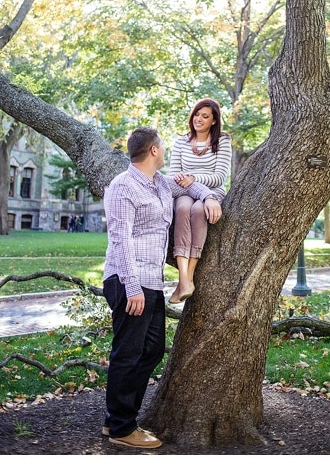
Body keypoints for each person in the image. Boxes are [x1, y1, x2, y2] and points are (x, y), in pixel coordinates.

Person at [102, 127, 221, 449]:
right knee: (128, 353)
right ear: (153, 150)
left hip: (152, 281)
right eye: (163, 147)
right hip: (128, 280)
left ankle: (116, 417)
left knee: (151, 351)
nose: (166, 151)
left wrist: (209, 196)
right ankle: (122, 428)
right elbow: (120, 238)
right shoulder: (122, 186)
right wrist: (132, 287)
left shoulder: (160, 183)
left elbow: (193, 187)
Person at [168, 98, 231, 304]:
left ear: (214, 121)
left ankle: (187, 278)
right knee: (184, 207)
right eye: (197, 114)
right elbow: (174, 174)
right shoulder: (181, 142)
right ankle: (184, 280)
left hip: (212, 192)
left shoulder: (222, 140)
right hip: (185, 191)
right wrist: (187, 181)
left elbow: (220, 176)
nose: (199, 119)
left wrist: (195, 178)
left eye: (205, 116)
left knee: (197, 210)